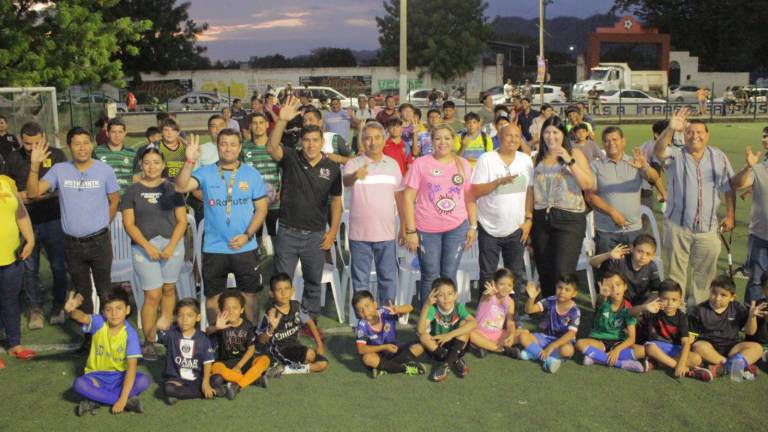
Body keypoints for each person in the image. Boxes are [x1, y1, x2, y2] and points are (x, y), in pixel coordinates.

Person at [26, 127, 120, 342]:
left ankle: (109, 337)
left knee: (105, 290)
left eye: (86, 142)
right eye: (77, 144)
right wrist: (34, 165)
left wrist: (102, 223)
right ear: (69, 147)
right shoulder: (59, 170)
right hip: (72, 244)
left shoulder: (104, 170)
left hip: (99, 242)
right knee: (82, 292)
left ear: (92, 144)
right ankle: (90, 337)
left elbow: (114, 200)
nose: (82, 148)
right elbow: (32, 193)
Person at [175, 130, 268, 324]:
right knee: (213, 297)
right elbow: (181, 187)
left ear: (240, 148)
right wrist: (189, 161)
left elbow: (261, 210)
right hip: (214, 247)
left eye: (233, 144)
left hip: (245, 246)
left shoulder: (251, 174)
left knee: (250, 295)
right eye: (224, 144)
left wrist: (247, 235)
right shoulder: (206, 172)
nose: (228, 148)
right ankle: (216, 336)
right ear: (217, 147)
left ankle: (250, 335)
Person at [267, 96, 342, 319]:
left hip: (316, 236)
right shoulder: (291, 157)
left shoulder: (332, 167)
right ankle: (282, 323)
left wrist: (332, 232)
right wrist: (281, 121)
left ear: (322, 141)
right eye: (306, 140)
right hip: (288, 233)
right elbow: (272, 148)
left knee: (313, 283)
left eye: (315, 140)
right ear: (301, 141)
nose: (311, 145)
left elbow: (336, 201)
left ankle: (310, 321)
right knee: (281, 283)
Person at [653, 108, 735, 305]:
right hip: (678, 226)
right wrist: (670, 129)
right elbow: (658, 151)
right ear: (683, 135)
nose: (695, 136)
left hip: (708, 228)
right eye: (689, 132)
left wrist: (730, 215)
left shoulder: (719, 157)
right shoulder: (676, 155)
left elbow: (728, 187)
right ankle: (676, 314)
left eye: (699, 132)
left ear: (707, 135)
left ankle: (698, 313)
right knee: (676, 274)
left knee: (704, 277)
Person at [121, 147, 187, 360]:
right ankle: (149, 341)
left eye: (156, 162)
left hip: (171, 246)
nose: (151, 167)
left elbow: (182, 221)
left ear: (163, 165)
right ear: (141, 164)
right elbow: (129, 224)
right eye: (147, 162)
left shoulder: (173, 189)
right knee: (152, 295)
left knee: (169, 289)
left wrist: (171, 246)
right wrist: (147, 246)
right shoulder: (132, 191)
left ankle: (164, 333)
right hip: (143, 248)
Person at [403, 124, 477, 305]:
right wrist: (411, 231)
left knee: (449, 275)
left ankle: (447, 317)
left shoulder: (463, 164)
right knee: (430, 275)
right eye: (437, 138)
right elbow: (407, 198)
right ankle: (427, 318)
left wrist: (473, 226)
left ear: (454, 140)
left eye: (447, 138)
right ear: (431, 141)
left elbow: (469, 197)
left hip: (457, 228)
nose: (442, 142)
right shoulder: (421, 163)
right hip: (427, 229)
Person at [6, 122, 68, 328]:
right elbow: (8, 190)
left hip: (53, 219)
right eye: (27, 143)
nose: (32, 147)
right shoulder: (13, 159)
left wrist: (38, 195)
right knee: (29, 268)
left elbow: (64, 188)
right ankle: (35, 309)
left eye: (37, 142)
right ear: (20, 140)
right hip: (25, 222)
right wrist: (23, 196)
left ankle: (59, 305)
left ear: (44, 138)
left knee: (58, 266)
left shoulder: (57, 155)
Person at [530, 116, 593, 297]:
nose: (551, 137)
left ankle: (564, 311)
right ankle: (550, 311)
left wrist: (568, 160)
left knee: (562, 272)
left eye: (555, 132)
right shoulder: (536, 159)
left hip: (569, 220)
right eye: (547, 132)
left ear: (563, 134)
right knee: (545, 271)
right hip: (541, 220)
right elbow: (530, 191)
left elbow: (587, 184)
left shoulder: (575, 153)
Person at [344, 121, 404, 308]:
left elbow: (400, 197)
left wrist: (404, 226)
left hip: (386, 234)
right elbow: (345, 182)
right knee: (360, 281)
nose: (373, 142)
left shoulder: (393, 165)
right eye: (368, 138)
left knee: (388, 279)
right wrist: (356, 175)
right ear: (363, 141)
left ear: (384, 140)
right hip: (359, 235)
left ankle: (387, 319)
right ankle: (363, 320)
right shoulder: (353, 163)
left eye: (377, 137)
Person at [471, 124, 534, 300]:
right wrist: (497, 182)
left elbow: (530, 191)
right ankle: (486, 312)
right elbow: (475, 190)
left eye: (517, 136)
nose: (513, 140)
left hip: (517, 228)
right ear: (499, 137)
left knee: (514, 274)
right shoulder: (486, 159)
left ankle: (512, 312)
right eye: (509, 135)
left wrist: (529, 219)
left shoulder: (525, 160)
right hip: (489, 227)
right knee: (488, 275)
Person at [65, 289, 148, 416]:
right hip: (96, 377)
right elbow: (82, 317)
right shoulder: (99, 323)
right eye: (109, 309)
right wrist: (72, 311)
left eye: (119, 308)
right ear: (103, 312)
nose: (114, 313)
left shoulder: (130, 334)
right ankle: (125, 401)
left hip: (120, 377)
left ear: (127, 310)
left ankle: (96, 399)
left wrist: (123, 398)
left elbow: (132, 368)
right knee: (79, 384)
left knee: (143, 381)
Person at [586, 126, 660, 254]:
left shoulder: (635, 162)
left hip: (634, 230)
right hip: (606, 231)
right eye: (607, 141)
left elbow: (654, 178)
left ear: (623, 141)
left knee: (634, 265)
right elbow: (590, 196)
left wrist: (644, 167)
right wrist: (612, 212)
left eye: (615, 139)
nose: (611, 143)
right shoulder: (595, 166)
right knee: (607, 266)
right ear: (603, 143)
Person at [635, 280, 712, 381]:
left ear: (680, 302)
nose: (669, 303)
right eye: (665, 299)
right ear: (658, 299)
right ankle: (687, 371)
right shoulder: (653, 311)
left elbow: (685, 342)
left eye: (674, 300)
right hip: (656, 347)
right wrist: (645, 307)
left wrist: (681, 363)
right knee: (650, 348)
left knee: (696, 358)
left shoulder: (682, 317)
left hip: (674, 349)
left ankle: (657, 363)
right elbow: (631, 314)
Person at [688, 275, 763, 379]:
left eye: (723, 295)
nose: (717, 298)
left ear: (732, 297)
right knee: (698, 346)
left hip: (732, 348)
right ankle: (736, 366)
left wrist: (752, 317)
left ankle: (724, 368)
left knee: (757, 348)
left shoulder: (737, 308)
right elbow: (690, 339)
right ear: (709, 290)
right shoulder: (698, 311)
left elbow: (750, 332)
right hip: (709, 347)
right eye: (714, 292)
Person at [255, 273, 328, 374]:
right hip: (278, 352)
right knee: (320, 364)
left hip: (293, 346)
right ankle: (282, 368)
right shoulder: (271, 314)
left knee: (321, 362)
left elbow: (309, 322)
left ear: (292, 290)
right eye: (279, 290)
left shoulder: (296, 307)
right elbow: (260, 341)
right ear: (271, 293)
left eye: (286, 288)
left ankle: (284, 369)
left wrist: (319, 344)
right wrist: (270, 329)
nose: (283, 293)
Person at [575, 272, 645, 372]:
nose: (615, 288)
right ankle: (621, 364)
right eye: (610, 286)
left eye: (618, 284)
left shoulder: (629, 308)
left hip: (618, 342)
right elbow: (600, 301)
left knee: (642, 350)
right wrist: (602, 295)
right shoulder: (603, 301)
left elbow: (631, 338)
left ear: (625, 287)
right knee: (579, 343)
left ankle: (596, 358)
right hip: (599, 341)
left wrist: (616, 350)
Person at [0, 173, 36, 368]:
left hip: (12, 256)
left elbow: (20, 212)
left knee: (11, 300)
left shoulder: (6, 182)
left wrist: (30, 239)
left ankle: (15, 344)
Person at [154, 298, 219, 404]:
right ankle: (209, 393)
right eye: (180, 315)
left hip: (197, 379)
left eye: (190, 315)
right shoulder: (171, 334)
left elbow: (207, 361)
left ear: (198, 317)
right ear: (176, 317)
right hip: (176, 379)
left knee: (217, 379)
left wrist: (206, 382)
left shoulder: (203, 338)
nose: (184, 319)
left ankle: (178, 394)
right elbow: (152, 338)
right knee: (168, 388)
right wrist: (155, 326)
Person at [208, 289, 270, 398]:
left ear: (241, 310)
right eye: (227, 308)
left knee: (265, 360)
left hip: (244, 362)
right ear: (221, 311)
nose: (231, 311)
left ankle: (238, 386)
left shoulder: (247, 325)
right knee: (216, 368)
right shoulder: (220, 324)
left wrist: (238, 366)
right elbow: (206, 332)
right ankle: (254, 380)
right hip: (225, 363)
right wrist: (216, 328)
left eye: (235, 308)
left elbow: (251, 349)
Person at [352, 290, 425, 377]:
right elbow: (361, 349)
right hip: (377, 354)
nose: (365, 312)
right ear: (357, 314)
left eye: (367, 306)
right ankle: (404, 368)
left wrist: (399, 309)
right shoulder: (362, 326)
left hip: (394, 348)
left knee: (419, 347)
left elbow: (410, 307)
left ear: (375, 304)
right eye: (360, 310)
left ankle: (384, 368)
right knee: (367, 358)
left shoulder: (385, 311)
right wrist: (385, 347)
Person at [417, 278, 477, 382]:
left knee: (465, 325)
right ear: (434, 297)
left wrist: (449, 335)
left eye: (449, 294)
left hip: (456, 345)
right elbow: (420, 330)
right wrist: (426, 306)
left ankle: (446, 364)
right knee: (423, 337)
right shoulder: (433, 309)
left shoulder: (459, 308)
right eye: (441, 295)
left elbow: (474, 323)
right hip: (438, 348)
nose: (446, 298)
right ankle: (455, 359)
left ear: (455, 295)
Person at [519, 274, 581, 373]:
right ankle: (548, 359)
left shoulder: (574, 311)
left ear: (574, 293)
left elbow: (571, 334)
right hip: (546, 337)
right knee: (523, 336)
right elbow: (529, 310)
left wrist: (552, 346)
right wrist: (531, 298)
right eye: (560, 287)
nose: (562, 292)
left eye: (567, 290)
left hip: (563, 342)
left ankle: (534, 352)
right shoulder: (551, 300)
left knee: (567, 351)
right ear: (556, 287)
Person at [731, 139, 768, 304]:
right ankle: (751, 316)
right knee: (756, 281)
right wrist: (748, 167)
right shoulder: (758, 169)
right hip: (761, 237)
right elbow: (736, 184)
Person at [242, 112, 280, 248]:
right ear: (250, 126)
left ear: (267, 125)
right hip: (252, 204)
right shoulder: (244, 148)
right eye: (254, 123)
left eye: (261, 123)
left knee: (277, 239)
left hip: (274, 202)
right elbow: (240, 174)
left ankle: (277, 260)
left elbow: (285, 172)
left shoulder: (275, 146)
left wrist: (281, 192)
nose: (258, 126)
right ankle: (255, 259)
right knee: (252, 238)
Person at [589, 235, 661, 307]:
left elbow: (656, 291)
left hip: (640, 304)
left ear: (653, 255)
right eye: (640, 251)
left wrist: (644, 307)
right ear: (632, 248)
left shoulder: (652, 266)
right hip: (618, 302)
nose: (643, 257)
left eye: (648, 254)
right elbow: (592, 263)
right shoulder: (620, 259)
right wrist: (609, 255)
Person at [468, 268, 522, 358]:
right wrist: (489, 293)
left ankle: (485, 347)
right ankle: (501, 349)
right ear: (494, 283)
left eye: (509, 285)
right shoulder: (488, 295)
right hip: (480, 332)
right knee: (469, 333)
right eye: (502, 284)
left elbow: (510, 322)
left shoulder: (510, 302)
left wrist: (511, 335)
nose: (506, 288)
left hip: (497, 334)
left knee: (522, 334)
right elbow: (487, 295)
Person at [94, 118, 136, 195]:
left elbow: (137, 177)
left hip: (127, 199)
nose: (117, 135)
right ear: (107, 133)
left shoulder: (133, 153)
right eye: (113, 132)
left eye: (120, 132)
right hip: (105, 199)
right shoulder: (97, 152)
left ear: (125, 133)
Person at [745, 272, 768, 350]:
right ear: (763, 288)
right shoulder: (758, 306)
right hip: (756, 346)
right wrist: (752, 316)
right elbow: (749, 332)